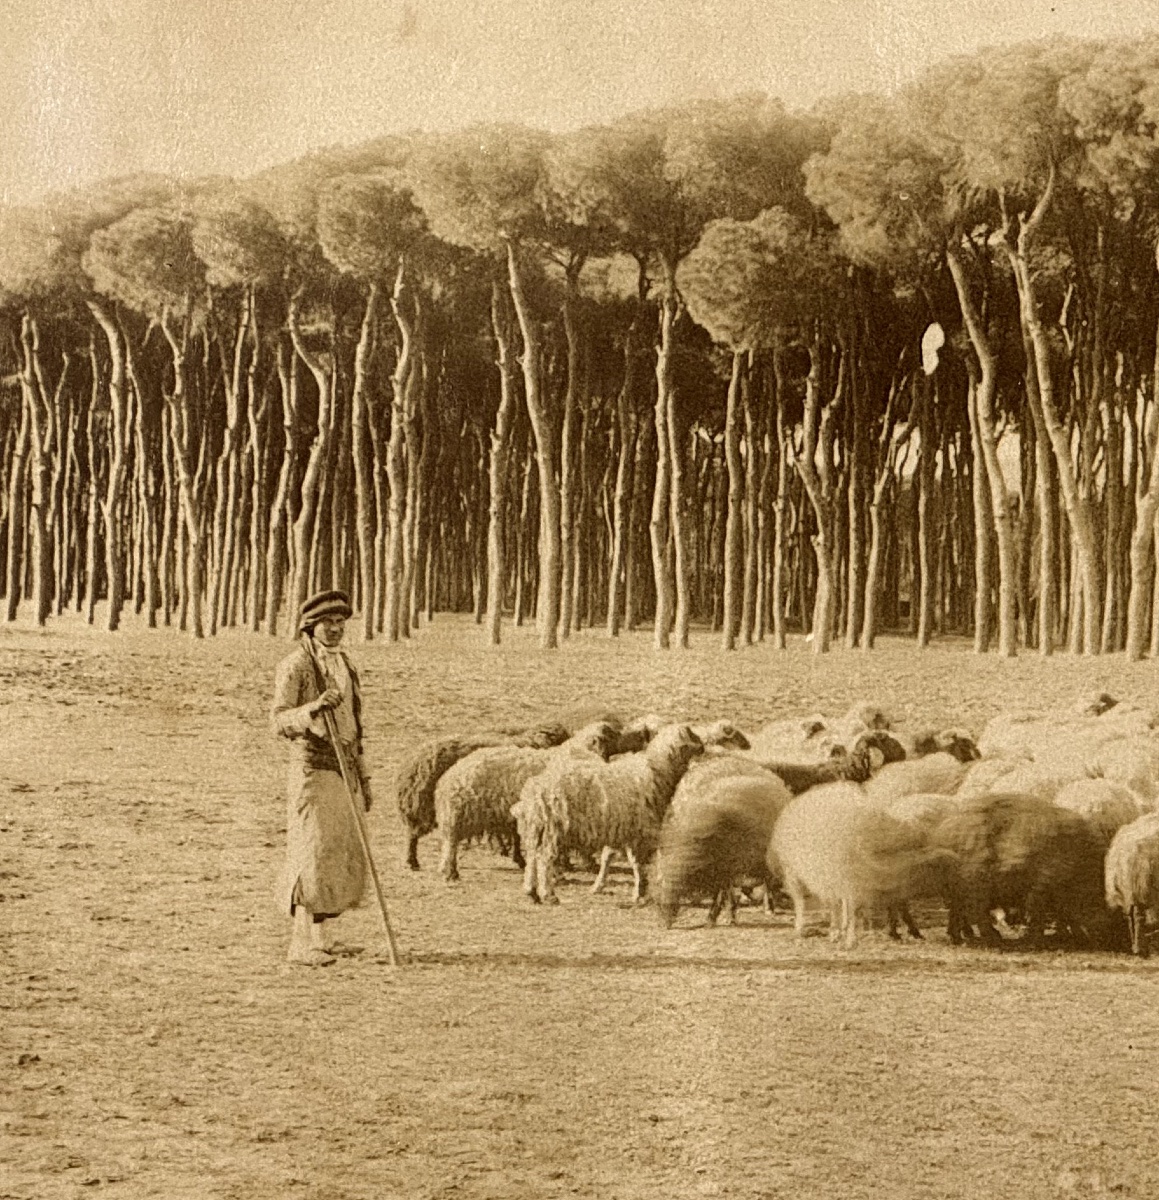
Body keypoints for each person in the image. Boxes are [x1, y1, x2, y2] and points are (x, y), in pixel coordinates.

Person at [271, 589, 373, 965]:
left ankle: (323, 938)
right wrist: (313, 708)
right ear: (310, 626)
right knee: (310, 852)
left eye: (340, 622)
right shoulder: (295, 665)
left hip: (344, 768)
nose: (335, 629)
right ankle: (299, 946)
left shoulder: (345, 664)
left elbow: (356, 723)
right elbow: (279, 719)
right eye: (327, 623)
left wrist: (364, 773)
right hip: (312, 768)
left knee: (335, 853)